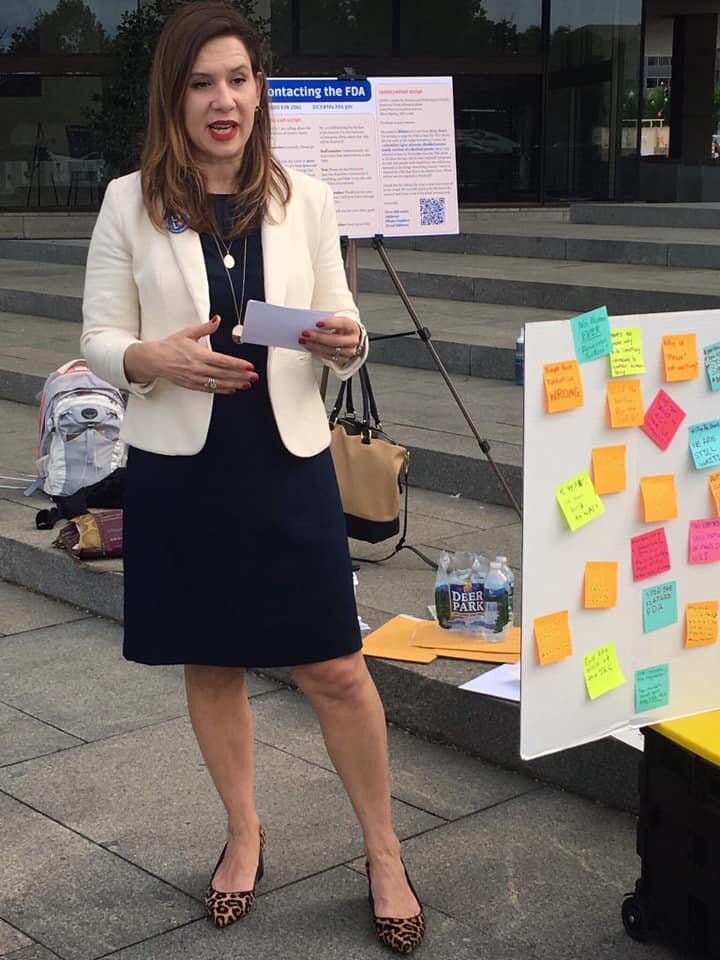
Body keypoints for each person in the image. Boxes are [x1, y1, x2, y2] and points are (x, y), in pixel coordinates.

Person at [81, 2, 425, 954]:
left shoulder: (307, 199)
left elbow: (342, 328)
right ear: (174, 97)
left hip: (286, 461)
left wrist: (348, 340)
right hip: (183, 471)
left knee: (337, 669)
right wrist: (153, 359)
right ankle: (244, 833)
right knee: (214, 659)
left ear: (258, 90)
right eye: (201, 83)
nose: (222, 100)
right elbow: (98, 338)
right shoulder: (127, 202)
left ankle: (385, 850)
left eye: (237, 79)